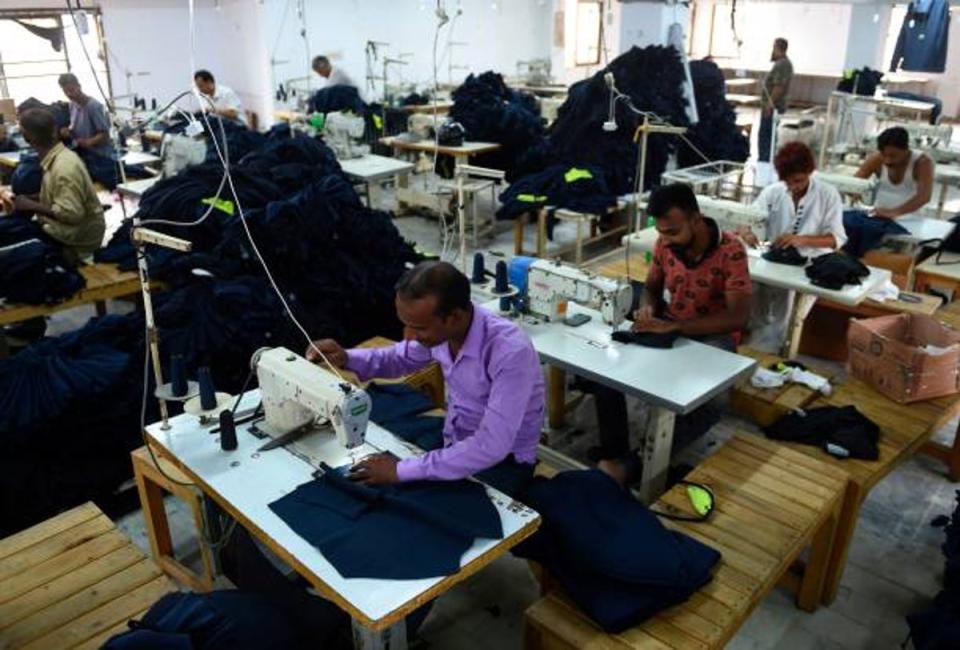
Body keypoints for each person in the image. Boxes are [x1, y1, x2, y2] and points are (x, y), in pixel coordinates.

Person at [306, 261, 545, 499]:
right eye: (406, 325)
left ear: (455, 317)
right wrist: (346, 358)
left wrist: (400, 471)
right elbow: (399, 358)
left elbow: (492, 445)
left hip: (504, 461)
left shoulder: (510, 353)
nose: (409, 336)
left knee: (425, 513)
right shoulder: (441, 333)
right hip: (455, 437)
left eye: (418, 328)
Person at [589, 184, 752, 485]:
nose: (665, 239)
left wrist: (675, 327)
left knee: (713, 403)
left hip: (714, 333)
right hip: (671, 322)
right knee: (604, 367)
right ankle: (616, 450)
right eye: (661, 232)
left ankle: (635, 464)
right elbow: (651, 287)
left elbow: (737, 317)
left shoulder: (731, 251)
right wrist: (647, 309)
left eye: (673, 231)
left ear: (696, 219)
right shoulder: (665, 243)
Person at [742, 142, 846, 351]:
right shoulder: (774, 192)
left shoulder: (828, 195)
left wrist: (800, 239)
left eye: (798, 180)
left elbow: (836, 239)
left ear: (810, 172)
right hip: (776, 261)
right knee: (752, 286)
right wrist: (747, 233)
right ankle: (758, 341)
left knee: (787, 300)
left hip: (810, 265)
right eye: (788, 182)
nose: (793, 187)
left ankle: (776, 347)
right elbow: (748, 219)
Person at [2, 108, 105, 264]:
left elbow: (71, 214)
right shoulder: (56, 157)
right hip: (64, 228)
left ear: (26, 137)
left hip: (77, 239)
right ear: (55, 130)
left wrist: (32, 205)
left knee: (9, 251)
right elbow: (60, 194)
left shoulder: (64, 167)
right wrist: (32, 198)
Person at [854, 126, 934, 219]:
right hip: (879, 215)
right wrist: (856, 197)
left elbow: (924, 197)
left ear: (906, 150)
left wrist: (893, 212)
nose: (887, 160)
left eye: (893, 156)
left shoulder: (922, 162)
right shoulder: (877, 158)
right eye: (884, 155)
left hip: (911, 218)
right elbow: (855, 184)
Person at [57, 73, 118, 189]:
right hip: (85, 153)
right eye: (66, 92)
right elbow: (75, 126)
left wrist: (89, 142)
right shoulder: (72, 105)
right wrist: (68, 130)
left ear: (79, 86)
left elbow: (104, 135)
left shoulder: (94, 106)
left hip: (100, 156)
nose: (69, 94)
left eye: (71, 90)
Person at [758, 38, 793, 163]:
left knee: (766, 136)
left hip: (773, 107)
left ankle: (764, 162)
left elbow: (779, 86)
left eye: (774, 48)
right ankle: (765, 159)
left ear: (778, 48)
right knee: (767, 135)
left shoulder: (783, 64)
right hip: (772, 106)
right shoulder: (780, 64)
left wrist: (769, 104)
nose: (772, 51)